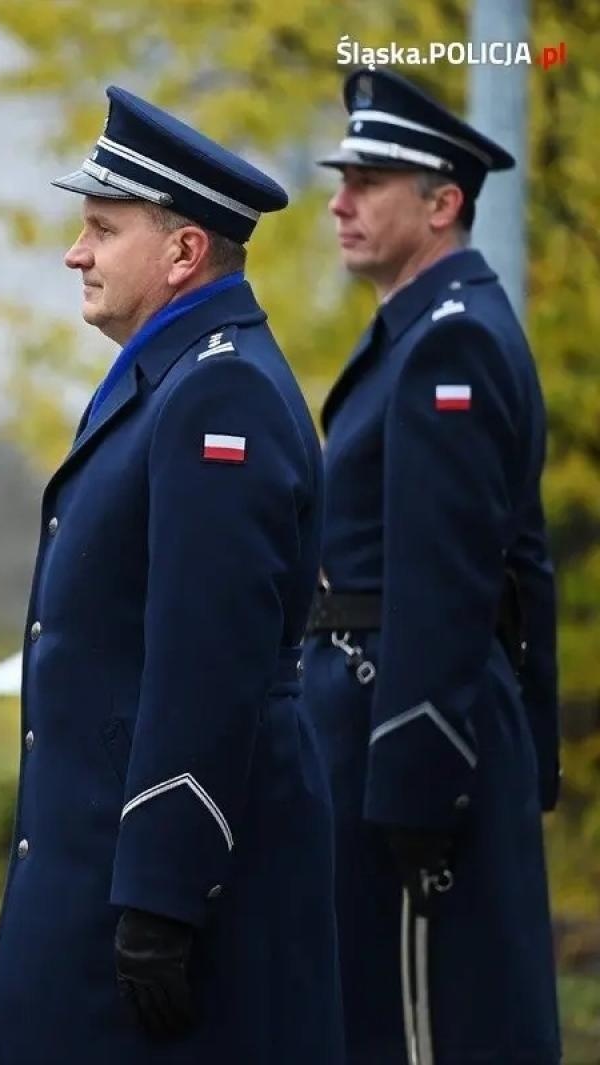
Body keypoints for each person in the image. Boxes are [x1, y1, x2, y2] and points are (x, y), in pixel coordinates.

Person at [0, 86, 339, 1064]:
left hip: (166, 882)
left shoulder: (217, 390)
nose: (73, 253)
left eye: (101, 228)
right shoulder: (169, 374)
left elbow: (205, 663)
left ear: (183, 253)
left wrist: (162, 900)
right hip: (102, 863)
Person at [304, 67, 561, 1064]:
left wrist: (418, 785)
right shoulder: (421, 334)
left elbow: (451, 586)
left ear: (442, 201)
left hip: (406, 741)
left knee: (424, 1027)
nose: (339, 201)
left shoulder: (449, 346)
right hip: (384, 726)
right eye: (343, 178)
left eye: (368, 180)